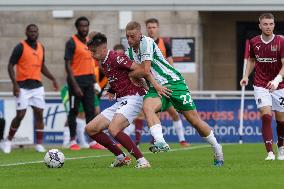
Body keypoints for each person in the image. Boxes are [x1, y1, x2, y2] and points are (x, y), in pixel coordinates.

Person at [125, 21, 224, 166]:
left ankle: (217, 148)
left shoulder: (146, 42)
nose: (129, 40)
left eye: (132, 36)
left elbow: (144, 70)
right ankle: (160, 142)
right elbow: (139, 74)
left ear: (140, 34)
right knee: (147, 107)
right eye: (127, 36)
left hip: (175, 83)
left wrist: (131, 75)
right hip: (156, 86)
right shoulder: (130, 52)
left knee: (194, 121)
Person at [86, 32, 162, 168]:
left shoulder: (116, 57)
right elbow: (120, 75)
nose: (92, 55)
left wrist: (149, 85)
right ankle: (121, 157)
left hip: (134, 97)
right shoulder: (103, 61)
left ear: (104, 49)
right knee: (91, 129)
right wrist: (112, 89)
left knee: (113, 129)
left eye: (94, 52)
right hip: (122, 100)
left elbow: (141, 69)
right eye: (91, 52)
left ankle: (142, 161)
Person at [1, 24, 59, 154]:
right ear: (26, 32)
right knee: (20, 115)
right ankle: (8, 141)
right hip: (22, 87)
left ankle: (38, 144)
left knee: (39, 113)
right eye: (31, 31)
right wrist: (15, 84)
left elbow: (42, 66)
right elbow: (10, 66)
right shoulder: (20, 46)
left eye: (35, 31)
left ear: (38, 33)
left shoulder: (41, 47)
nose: (33, 33)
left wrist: (53, 78)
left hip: (37, 86)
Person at [240, 13, 284, 161]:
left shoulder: (281, 41)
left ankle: (281, 147)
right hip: (260, 84)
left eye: (271, 24)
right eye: (265, 24)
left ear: (274, 25)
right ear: (260, 26)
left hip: (279, 85)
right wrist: (246, 76)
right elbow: (252, 60)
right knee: (266, 116)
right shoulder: (254, 42)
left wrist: (277, 80)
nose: (268, 27)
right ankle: (270, 152)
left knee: (281, 121)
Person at [64, 16, 97, 150]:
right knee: (73, 111)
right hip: (75, 81)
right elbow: (67, 65)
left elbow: (91, 63)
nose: (84, 28)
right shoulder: (71, 42)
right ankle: (72, 141)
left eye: (86, 26)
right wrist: (75, 86)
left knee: (90, 111)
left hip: (89, 81)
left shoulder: (90, 42)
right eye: (81, 26)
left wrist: (94, 83)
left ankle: (93, 141)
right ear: (77, 27)